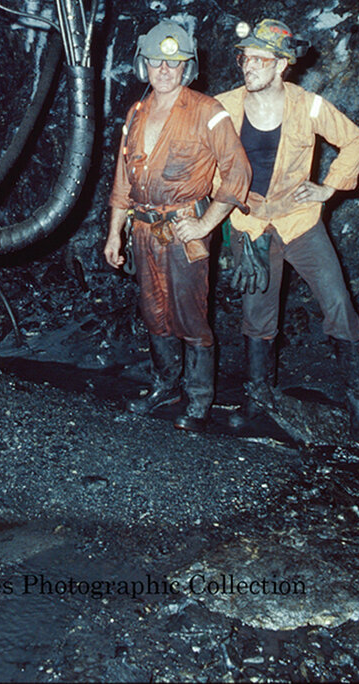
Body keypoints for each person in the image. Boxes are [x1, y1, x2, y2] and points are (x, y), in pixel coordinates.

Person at [215, 18, 359, 444]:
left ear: (282, 64)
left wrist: (329, 187)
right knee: (257, 317)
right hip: (251, 224)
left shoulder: (308, 105)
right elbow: (197, 158)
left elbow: (356, 140)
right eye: (244, 58)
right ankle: (256, 399)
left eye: (258, 60)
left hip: (300, 222)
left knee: (338, 303)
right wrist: (230, 229)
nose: (247, 67)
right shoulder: (223, 107)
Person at [105, 21, 251, 431]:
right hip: (143, 231)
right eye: (156, 62)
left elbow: (238, 173)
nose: (164, 70)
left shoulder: (208, 112)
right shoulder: (135, 113)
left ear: (187, 67)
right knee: (154, 313)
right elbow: (122, 180)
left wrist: (205, 223)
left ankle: (200, 398)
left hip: (184, 229)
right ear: (143, 65)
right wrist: (114, 232)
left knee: (190, 316)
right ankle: (165, 385)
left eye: (174, 62)